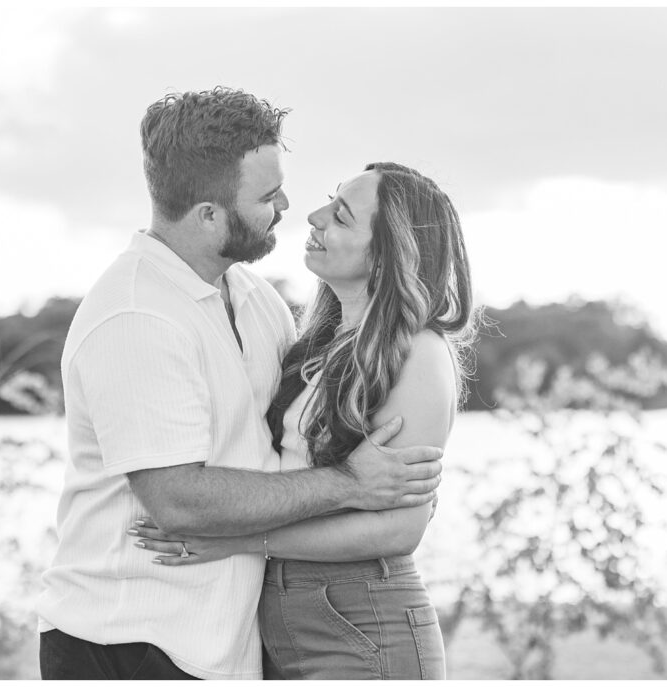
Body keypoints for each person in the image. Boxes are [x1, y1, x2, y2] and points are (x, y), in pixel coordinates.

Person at [36, 88, 445, 680]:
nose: (289, 205)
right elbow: (178, 500)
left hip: (227, 646)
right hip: (129, 641)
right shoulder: (137, 316)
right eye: (265, 195)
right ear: (208, 214)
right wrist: (348, 482)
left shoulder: (257, 302)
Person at [127, 162, 476, 679]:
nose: (312, 216)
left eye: (340, 216)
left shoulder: (419, 353)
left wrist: (238, 539)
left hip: (363, 620)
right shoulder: (316, 344)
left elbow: (400, 529)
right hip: (280, 615)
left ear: (386, 252)